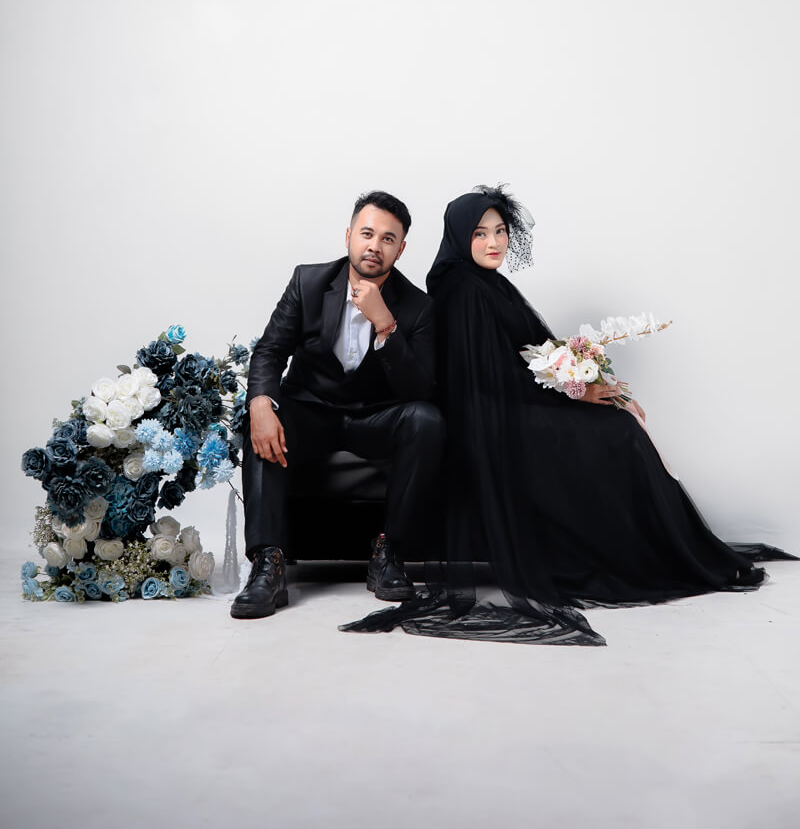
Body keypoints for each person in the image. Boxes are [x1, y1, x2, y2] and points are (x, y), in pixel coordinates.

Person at [341, 185, 793, 645]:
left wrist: (588, 382)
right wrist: (577, 393)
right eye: (480, 233)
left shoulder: (487, 283)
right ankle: (648, 554)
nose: (494, 242)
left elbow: (532, 356)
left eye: (500, 231)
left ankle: (651, 548)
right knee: (616, 434)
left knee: (618, 425)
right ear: (460, 236)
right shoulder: (463, 289)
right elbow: (490, 380)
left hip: (505, 407)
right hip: (486, 420)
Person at [232, 190, 445, 620]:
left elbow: (419, 388)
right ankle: (268, 564)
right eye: (367, 233)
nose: (374, 245)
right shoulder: (308, 282)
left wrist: (385, 324)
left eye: (387, 239)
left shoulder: (419, 307)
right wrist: (260, 402)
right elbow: (270, 351)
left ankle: (389, 552)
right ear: (348, 236)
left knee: (427, 419)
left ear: (401, 249)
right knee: (261, 417)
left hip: (374, 417)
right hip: (311, 411)